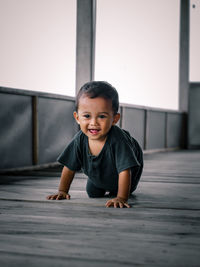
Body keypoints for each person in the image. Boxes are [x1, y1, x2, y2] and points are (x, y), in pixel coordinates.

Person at [47, 81, 143, 208]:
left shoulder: (118, 140)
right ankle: (100, 182)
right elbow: (69, 167)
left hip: (125, 177)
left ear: (114, 119)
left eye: (102, 116)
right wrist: (62, 191)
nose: (94, 123)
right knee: (93, 193)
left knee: (117, 192)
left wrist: (121, 197)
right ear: (77, 117)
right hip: (97, 175)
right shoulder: (80, 139)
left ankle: (117, 191)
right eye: (87, 116)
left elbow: (125, 171)